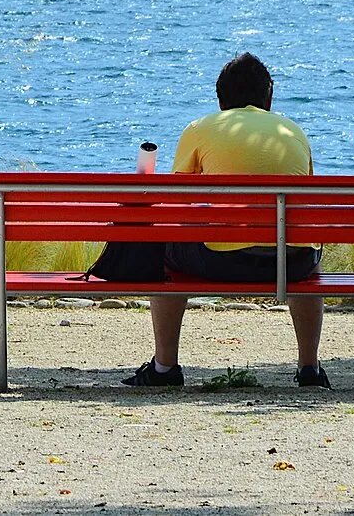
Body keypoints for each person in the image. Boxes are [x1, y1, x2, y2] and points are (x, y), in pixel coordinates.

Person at [124, 51, 330, 389]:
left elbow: (177, 203)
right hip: (291, 263)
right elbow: (302, 204)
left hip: (221, 260)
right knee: (308, 256)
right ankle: (309, 369)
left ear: (221, 100)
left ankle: (165, 368)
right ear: (269, 98)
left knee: (163, 255)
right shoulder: (293, 131)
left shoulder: (200, 129)